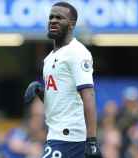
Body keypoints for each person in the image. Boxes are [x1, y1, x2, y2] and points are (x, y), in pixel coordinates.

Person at [24, 2, 102, 158]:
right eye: (51, 17)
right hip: (55, 135)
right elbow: (58, 103)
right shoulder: (49, 58)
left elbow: (88, 94)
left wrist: (92, 140)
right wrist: (41, 92)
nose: (53, 20)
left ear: (71, 25)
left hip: (70, 137)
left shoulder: (77, 52)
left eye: (59, 18)